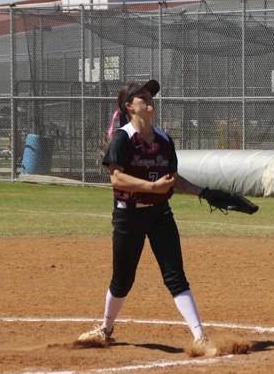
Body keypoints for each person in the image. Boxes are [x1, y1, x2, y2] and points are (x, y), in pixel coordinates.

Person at [75, 79, 218, 356]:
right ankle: (105, 329)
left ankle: (200, 337)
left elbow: (172, 179)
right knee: (123, 279)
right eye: (142, 97)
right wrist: (151, 187)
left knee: (175, 276)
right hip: (128, 217)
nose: (150, 100)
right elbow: (116, 177)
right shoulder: (123, 137)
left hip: (160, 214)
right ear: (130, 107)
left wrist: (203, 192)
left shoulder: (164, 140)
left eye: (150, 96)